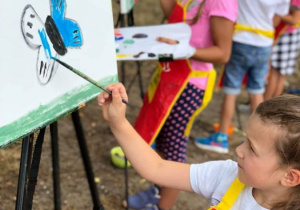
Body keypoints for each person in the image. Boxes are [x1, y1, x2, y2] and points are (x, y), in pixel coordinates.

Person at [98, 83, 300, 210]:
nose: (238, 150)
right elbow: (156, 168)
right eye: (245, 140)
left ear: (289, 177)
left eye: (252, 149)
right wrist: (118, 122)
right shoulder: (228, 175)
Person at [131, 0, 238, 209]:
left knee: (173, 149)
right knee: (161, 141)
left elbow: (223, 53)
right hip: (172, 77)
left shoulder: (222, 3)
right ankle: (158, 190)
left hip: (190, 85)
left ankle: (163, 206)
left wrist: (184, 50)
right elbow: (176, 18)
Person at [195, 0, 290, 154]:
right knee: (257, 90)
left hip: (241, 40)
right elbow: (277, 19)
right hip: (264, 42)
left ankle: (221, 137)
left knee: (231, 91)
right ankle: (260, 140)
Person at [265, 0, 300, 100]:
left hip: (286, 36)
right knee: (280, 74)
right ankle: (272, 106)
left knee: (274, 73)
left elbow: (294, 19)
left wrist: (275, 13)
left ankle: (265, 105)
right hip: (291, 36)